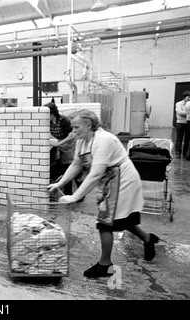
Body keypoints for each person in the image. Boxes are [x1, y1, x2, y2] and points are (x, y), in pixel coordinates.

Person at [47, 109, 160, 278]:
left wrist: (75, 196)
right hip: (110, 179)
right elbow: (77, 165)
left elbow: (96, 173)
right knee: (122, 217)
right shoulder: (82, 140)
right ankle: (148, 238)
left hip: (122, 179)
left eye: (77, 127)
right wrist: (60, 183)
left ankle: (105, 265)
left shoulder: (104, 139)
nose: (73, 131)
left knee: (105, 222)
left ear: (89, 124)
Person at [46, 102, 80, 196]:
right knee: (65, 169)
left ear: (52, 113)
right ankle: (68, 193)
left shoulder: (63, 120)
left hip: (69, 146)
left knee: (72, 168)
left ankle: (79, 194)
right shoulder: (48, 122)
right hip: (60, 144)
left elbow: (72, 135)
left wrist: (59, 143)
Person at [174, 91, 190, 159]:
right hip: (180, 123)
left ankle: (185, 153)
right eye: (188, 97)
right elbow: (179, 112)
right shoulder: (178, 104)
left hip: (188, 123)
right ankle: (178, 153)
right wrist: (188, 113)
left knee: (187, 139)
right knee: (179, 139)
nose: (189, 98)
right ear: (184, 97)